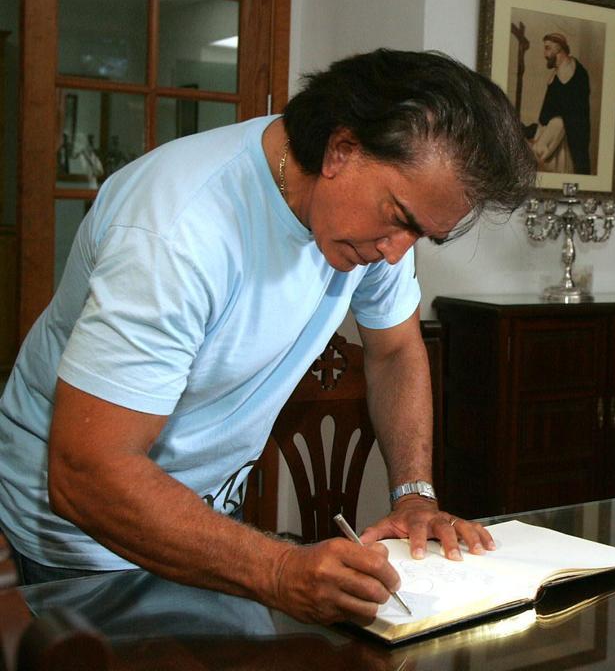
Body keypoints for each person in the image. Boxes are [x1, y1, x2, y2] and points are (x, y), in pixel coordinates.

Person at [0, 49, 536, 624]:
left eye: (422, 235)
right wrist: (279, 570)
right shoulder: (176, 231)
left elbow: (396, 350)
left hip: (202, 517)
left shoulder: (372, 222)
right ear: (342, 150)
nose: (397, 252)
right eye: (400, 218)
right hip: (86, 543)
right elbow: (88, 475)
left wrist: (414, 494)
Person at [529, 32, 592, 175]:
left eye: (548, 48)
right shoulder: (557, 74)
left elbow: (570, 113)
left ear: (558, 49)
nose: (545, 54)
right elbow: (549, 108)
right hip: (554, 134)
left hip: (564, 138)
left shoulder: (572, 71)